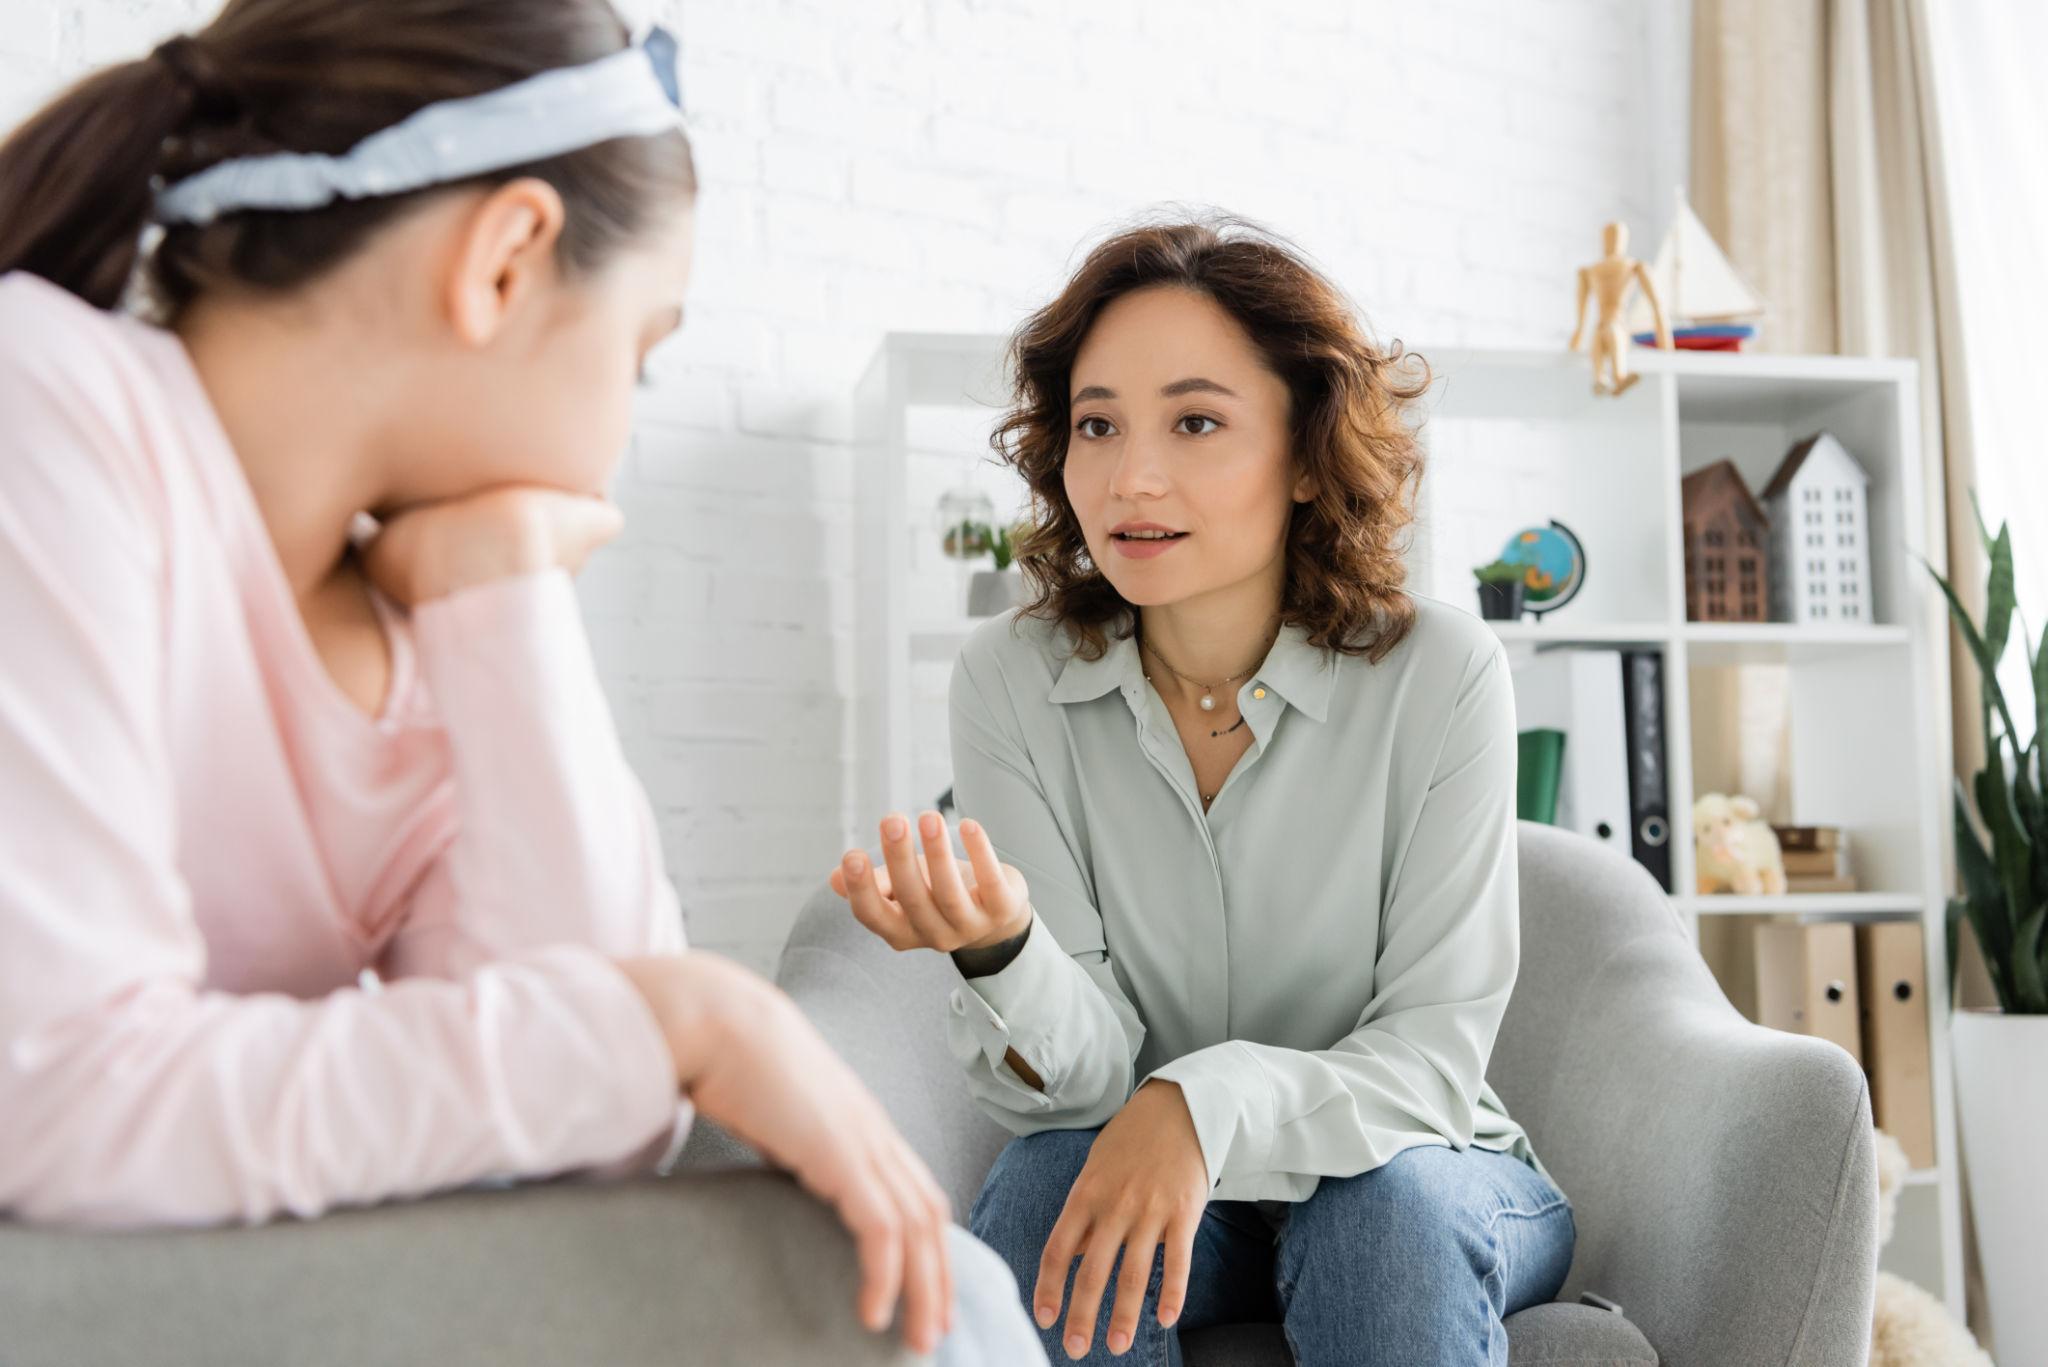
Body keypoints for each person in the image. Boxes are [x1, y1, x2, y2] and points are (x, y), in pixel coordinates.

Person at [0, 2, 1041, 1358]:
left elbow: (595, 1141)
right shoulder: (47, 398)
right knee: (924, 1305)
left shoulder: (422, 618)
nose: (625, 421)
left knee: (885, 1245)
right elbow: (59, 1096)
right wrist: (682, 1013)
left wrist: (505, 596)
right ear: (505, 263)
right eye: (642, 351)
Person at [833, 218, 1576, 1365]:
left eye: (1195, 420)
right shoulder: (1008, 679)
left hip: (1424, 1168)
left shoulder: (1443, 671)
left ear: (1302, 450)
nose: (1132, 475)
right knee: (1045, 1188)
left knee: (1380, 1216)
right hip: (1173, 1193)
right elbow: (1073, 1083)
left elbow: (1430, 1059)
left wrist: (1196, 1101)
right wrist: (1003, 949)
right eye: (1096, 424)